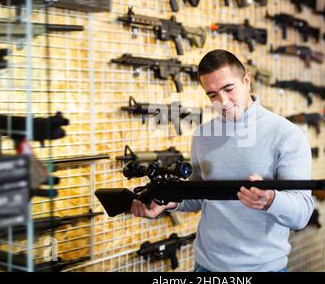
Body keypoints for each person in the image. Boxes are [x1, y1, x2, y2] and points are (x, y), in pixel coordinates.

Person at [130, 49, 314, 272]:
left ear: (246, 81)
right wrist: (168, 202)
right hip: (206, 266)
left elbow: (302, 213)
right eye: (213, 95)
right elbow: (198, 196)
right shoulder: (203, 136)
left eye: (229, 89)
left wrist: (270, 200)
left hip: (263, 269)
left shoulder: (286, 135)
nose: (223, 101)